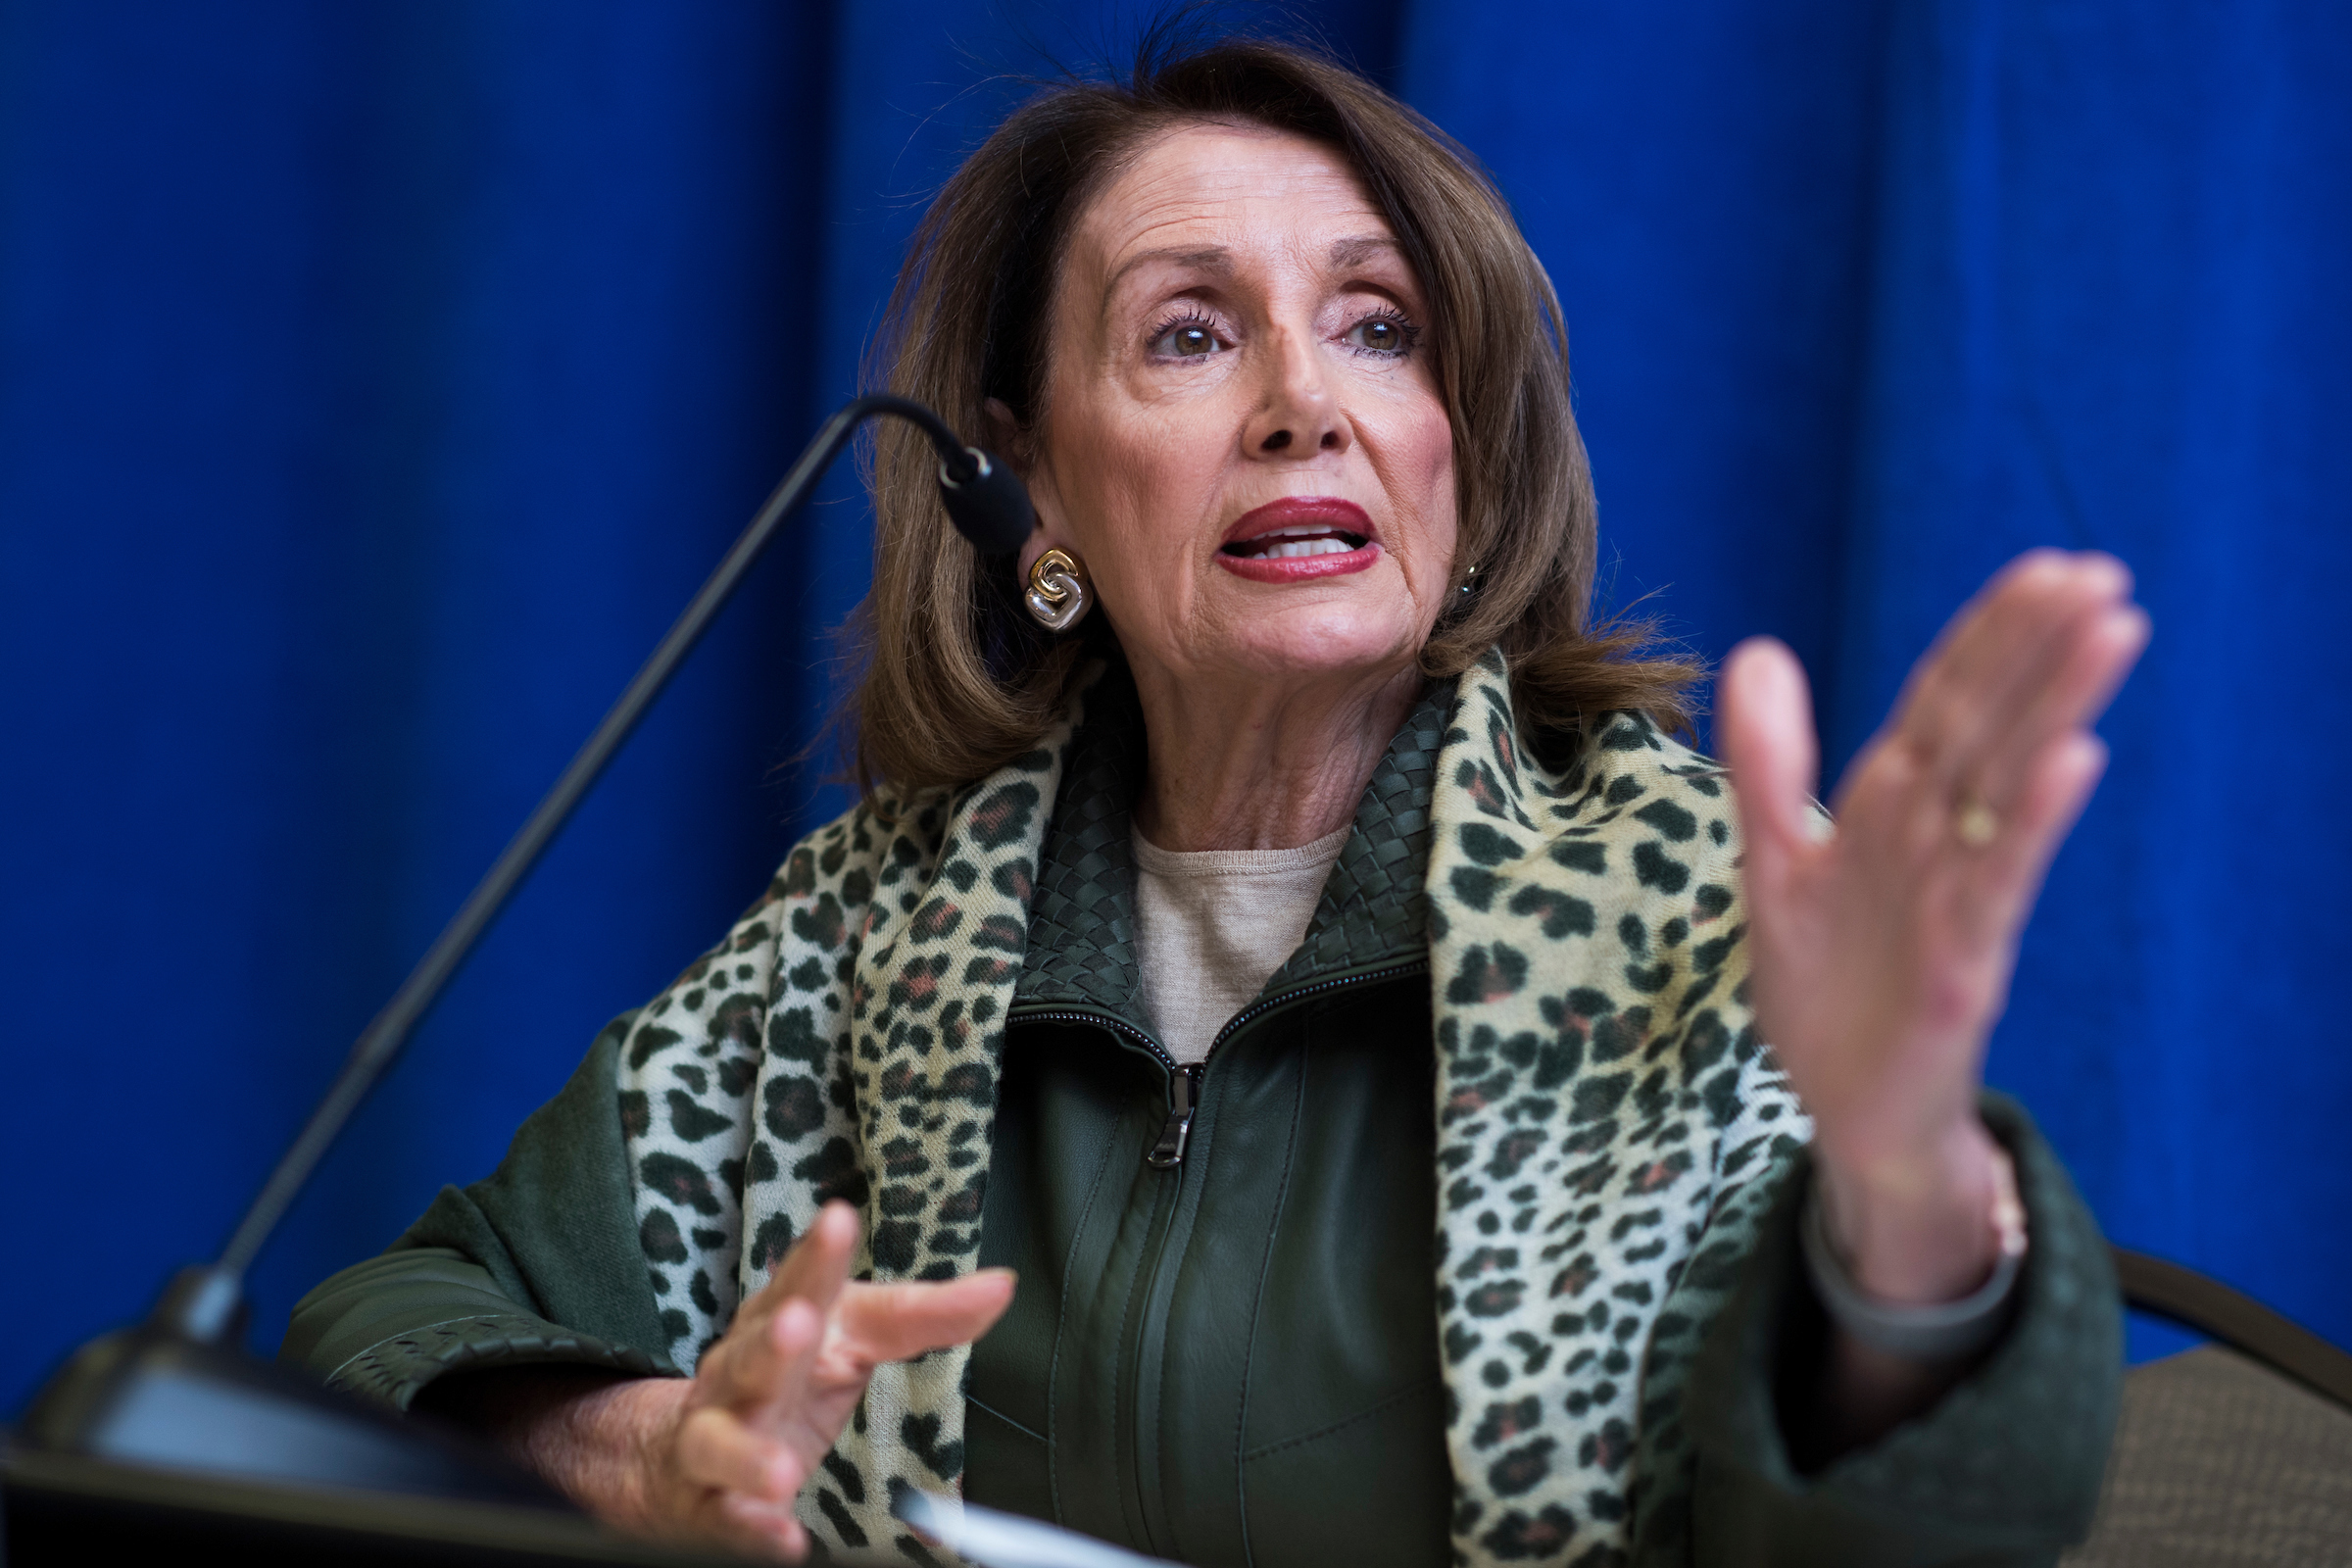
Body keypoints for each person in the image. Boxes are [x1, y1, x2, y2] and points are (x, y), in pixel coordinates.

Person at [285, 35, 2147, 1568]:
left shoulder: (1689, 914)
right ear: (1038, 493)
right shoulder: (864, 939)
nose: (1298, 404)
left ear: (1460, 448)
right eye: (1187, 333)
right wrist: (654, 1453)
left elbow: (1926, 1536)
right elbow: (388, 1334)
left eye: (1379, 326)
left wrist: (1911, 1180)